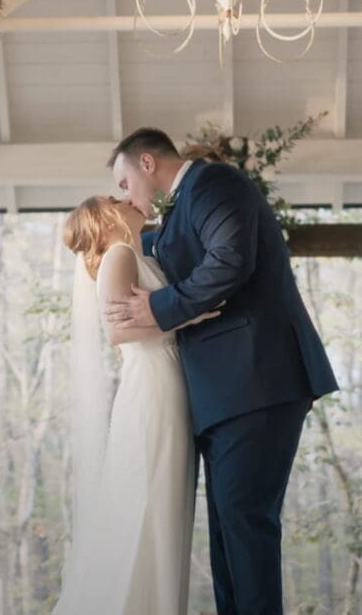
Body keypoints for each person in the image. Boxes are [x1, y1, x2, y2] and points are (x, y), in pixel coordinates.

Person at [106, 127, 340, 615]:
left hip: (258, 378)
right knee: (227, 534)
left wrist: (159, 308)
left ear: (147, 163)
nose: (125, 193)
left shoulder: (214, 183)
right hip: (223, 395)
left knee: (245, 525)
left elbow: (230, 261)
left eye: (125, 181)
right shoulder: (174, 216)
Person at [53, 195, 218, 614]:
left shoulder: (139, 253)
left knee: (165, 502)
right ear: (104, 217)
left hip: (168, 378)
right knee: (151, 500)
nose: (127, 198)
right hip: (152, 384)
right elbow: (117, 332)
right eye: (115, 197)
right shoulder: (119, 254)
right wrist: (191, 314)